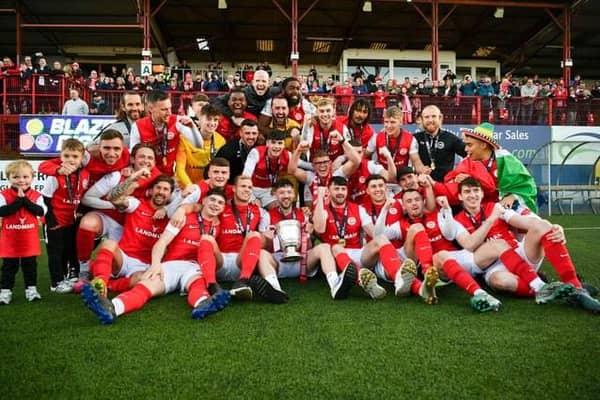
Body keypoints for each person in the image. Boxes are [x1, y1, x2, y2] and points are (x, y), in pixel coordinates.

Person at [80, 188, 231, 324]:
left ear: (224, 208)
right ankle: (112, 308)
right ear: (203, 201)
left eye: (220, 203)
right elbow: (161, 243)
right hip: (171, 264)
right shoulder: (183, 217)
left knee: (197, 284)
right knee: (146, 287)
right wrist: (156, 264)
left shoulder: (220, 224)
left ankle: (203, 305)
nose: (215, 204)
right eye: (212, 200)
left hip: (194, 266)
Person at [454, 178, 600, 313]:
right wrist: (491, 220)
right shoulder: (457, 221)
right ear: (460, 196)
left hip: (519, 253)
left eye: (476, 190)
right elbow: (470, 246)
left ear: (482, 193)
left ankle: (575, 287)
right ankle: (561, 290)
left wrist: (552, 227)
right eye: (467, 191)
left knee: (541, 226)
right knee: (500, 281)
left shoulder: (495, 207)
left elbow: (523, 221)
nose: (472, 195)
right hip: (494, 267)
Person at [87, 175, 176, 297]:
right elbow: (113, 199)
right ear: (151, 190)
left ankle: (108, 285)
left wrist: (166, 209)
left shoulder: (172, 215)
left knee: (143, 279)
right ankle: (101, 280)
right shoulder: (136, 204)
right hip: (123, 258)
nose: (161, 192)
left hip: (143, 265)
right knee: (109, 243)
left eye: (166, 189)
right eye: (158, 188)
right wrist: (132, 178)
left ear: (171, 195)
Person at [312, 176, 387, 300]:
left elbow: (374, 233)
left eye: (343, 189)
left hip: (358, 254)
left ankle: (398, 278)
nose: (340, 192)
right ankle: (364, 282)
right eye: (336, 189)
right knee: (336, 247)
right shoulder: (323, 210)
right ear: (329, 191)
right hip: (335, 260)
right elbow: (319, 229)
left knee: (380, 240)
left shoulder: (358, 209)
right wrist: (319, 198)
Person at [439, 122, 537, 212]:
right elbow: (450, 180)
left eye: (469, 145)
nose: (465, 149)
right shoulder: (467, 162)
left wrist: (513, 196)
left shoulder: (506, 160)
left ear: (483, 145)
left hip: (506, 207)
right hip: (478, 209)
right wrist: (458, 181)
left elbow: (528, 187)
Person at [41, 139, 90, 293]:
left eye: (75, 156)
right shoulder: (55, 175)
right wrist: (50, 220)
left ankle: (69, 275)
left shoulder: (85, 174)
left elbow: (82, 195)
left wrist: (80, 211)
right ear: (61, 157)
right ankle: (56, 282)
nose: (70, 160)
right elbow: (45, 199)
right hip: (54, 219)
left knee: (69, 247)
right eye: (66, 156)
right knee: (55, 251)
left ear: (82, 158)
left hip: (70, 219)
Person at [0, 160, 47, 305]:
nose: (21, 180)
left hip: (29, 240)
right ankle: (5, 292)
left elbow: (40, 211)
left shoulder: (37, 195)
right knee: (9, 267)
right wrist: (19, 200)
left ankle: (31, 290)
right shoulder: (3, 194)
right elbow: (3, 211)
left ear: (32, 178)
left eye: (25, 177)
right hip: (10, 240)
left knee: (30, 266)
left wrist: (24, 200)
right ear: (8, 178)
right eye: (16, 177)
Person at [129, 90, 203, 175]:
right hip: (148, 175)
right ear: (151, 109)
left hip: (170, 176)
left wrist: (192, 127)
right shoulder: (138, 126)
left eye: (170, 108)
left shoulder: (177, 121)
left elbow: (199, 145)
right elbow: (134, 156)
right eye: (164, 109)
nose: (169, 113)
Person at [175, 103, 226, 188]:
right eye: (209, 119)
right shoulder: (185, 138)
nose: (212, 123)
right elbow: (180, 169)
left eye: (215, 120)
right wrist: (190, 187)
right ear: (200, 119)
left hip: (207, 188)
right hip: (184, 186)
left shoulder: (221, 141)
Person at [413, 105, 466, 182]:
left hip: (445, 185)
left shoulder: (450, 138)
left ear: (440, 118)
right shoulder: (415, 138)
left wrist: (462, 172)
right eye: (427, 117)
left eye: (434, 116)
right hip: (422, 184)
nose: (430, 120)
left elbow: (470, 155)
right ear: (421, 119)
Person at [242, 129, 293, 209]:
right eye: (273, 142)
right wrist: (251, 197)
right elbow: (246, 175)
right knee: (255, 209)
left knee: (280, 208)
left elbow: (302, 165)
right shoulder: (256, 152)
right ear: (267, 143)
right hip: (251, 188)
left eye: (280, 143)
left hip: (268, 190)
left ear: (284, 145)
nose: (276, 146)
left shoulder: (288, 155)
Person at [365, 106, 425, 173]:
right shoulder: (376, 137)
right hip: (382, 178)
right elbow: (364, 156)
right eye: (386, 122)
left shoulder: (410, 139)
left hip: (402, 178)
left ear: (400, 122)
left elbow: (417, 163)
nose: (389, 126)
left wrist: (423, 172)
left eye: (393, 122)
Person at [301, 97, 351, 161]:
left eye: (328, 111)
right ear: (317, 112)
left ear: (333, 111)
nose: (325, 114)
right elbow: (305, 147)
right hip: (314, 166)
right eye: (322, 111)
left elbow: (350, 151)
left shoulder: (342, 128)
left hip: (335, 167)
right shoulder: (312, 125)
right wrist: (306, 125)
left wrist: (341, 159)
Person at [215, 119, 259, 184]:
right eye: (247, 133)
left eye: (254, 133)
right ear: (240, 133)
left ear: (258, 133)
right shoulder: (228, 150)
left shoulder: (261, 148)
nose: (251, 137)